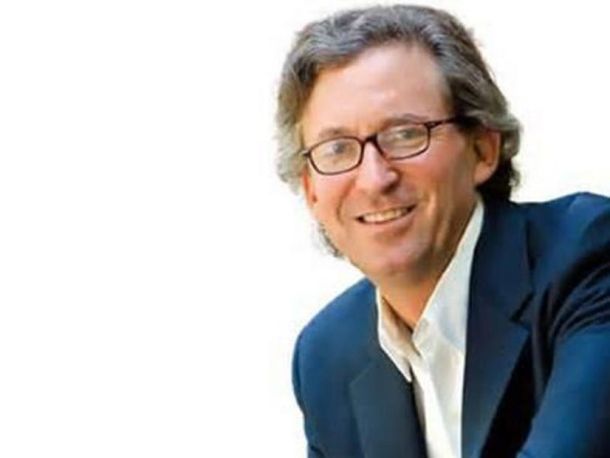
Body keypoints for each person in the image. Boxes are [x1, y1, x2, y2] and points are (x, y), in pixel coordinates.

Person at [275, 5, 610, 458]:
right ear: (311, 189)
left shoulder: (588, 256)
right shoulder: (326, 356)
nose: (374, 179)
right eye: (336, 149)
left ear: (483, 148)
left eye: (405, 134)